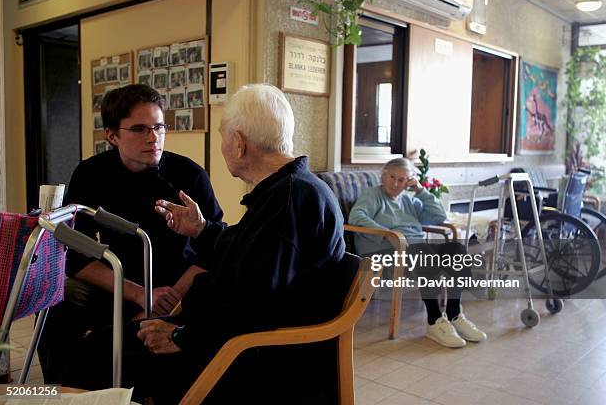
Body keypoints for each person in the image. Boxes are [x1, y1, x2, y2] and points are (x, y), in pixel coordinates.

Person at [60, 84, 346, 404]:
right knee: (98, 343)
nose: (153, 137)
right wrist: (203, 230)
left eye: (224, 135)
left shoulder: (289, 201)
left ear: (238, 143)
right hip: (220, 333)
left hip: (250, 356)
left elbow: (256, 305)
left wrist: (181, 335)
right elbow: (249, 259)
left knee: (94, 356)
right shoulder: (289, 190)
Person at [38, 84, 223, 383]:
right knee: (54, 302)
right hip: (122, 283)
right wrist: (140, 295)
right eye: (139, 129)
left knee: (119, 352)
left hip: (181, 287)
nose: (153, 138)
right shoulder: (91, 174)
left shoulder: (189, 175)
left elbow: (216, 249)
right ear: (112, 136)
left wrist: (167, 299)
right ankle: (61, 392)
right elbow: (73, 257)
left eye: (159, 127)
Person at [348, 157, 486, 348]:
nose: (396, 183)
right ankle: (434, 320)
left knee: (456, 250)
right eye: (392, 177)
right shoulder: (372, 195)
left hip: (413, 250)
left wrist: (420, 191)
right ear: (383, 176)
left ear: (409, 182)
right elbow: (357, 217)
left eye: (402, 179)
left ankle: (454, 314)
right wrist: (388, 234)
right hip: (385, 251)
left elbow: (439, 216)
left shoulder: (409, 199)